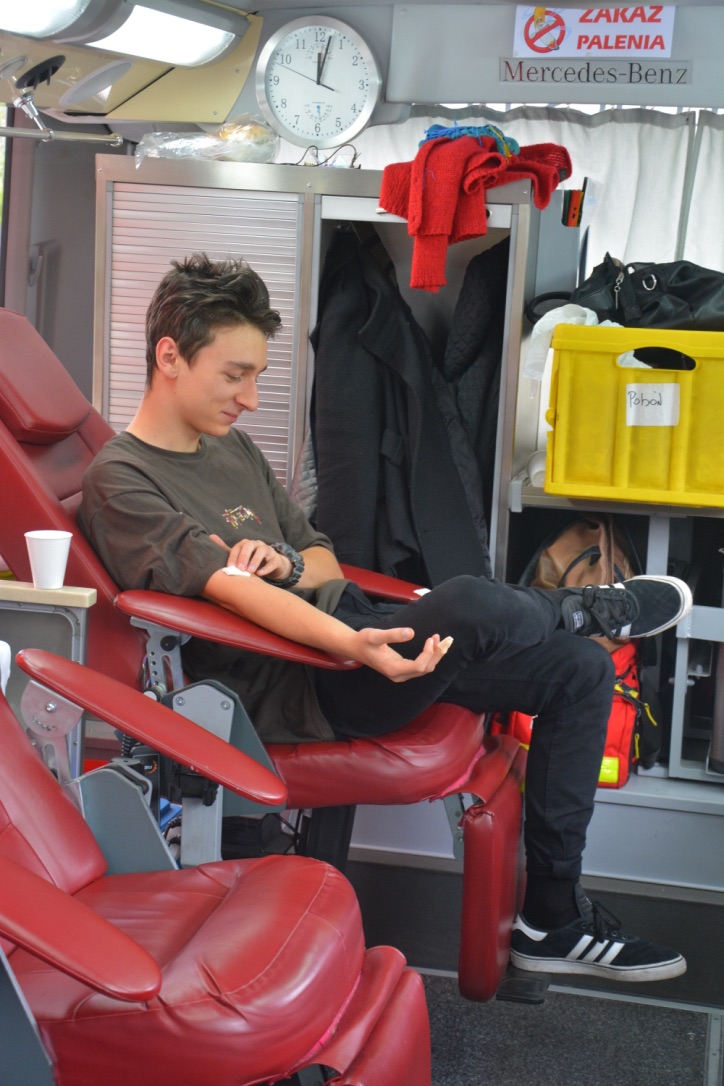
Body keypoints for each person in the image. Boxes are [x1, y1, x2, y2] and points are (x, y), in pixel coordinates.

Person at [78, 253, 692, 984]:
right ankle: (586, 608)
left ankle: (552, 917)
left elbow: (321, 560)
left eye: (258, 375)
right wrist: (353, 644)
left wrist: (291, 568)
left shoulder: (231, 448)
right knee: (467, 600)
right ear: (169, 357)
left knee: (581, 669)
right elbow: (233, 592)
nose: (251, 397)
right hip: (302, 683)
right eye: (235, 374)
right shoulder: (120, 479)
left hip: (349, 631)